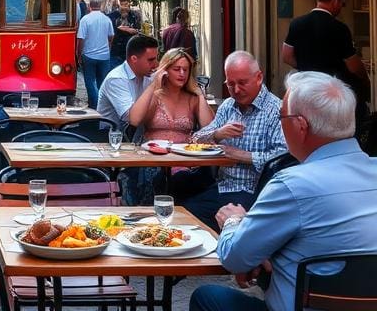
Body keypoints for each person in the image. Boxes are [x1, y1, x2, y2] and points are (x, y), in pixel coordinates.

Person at [189, 71, 377, 311]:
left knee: (208, 296)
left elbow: (235, 258)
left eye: (281, 117)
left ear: (300, 126)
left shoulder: (292, 184)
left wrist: (234, 221)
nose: (279, 124)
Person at [183, 51, 287, 230]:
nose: (236, 90)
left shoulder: (275, 109)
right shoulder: (228, 106)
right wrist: (217, 134)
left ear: (259, 77)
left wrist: (241, 156)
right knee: (183, 210)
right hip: (223, 186)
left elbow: (283, 158)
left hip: (255, 191)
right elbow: (195, 140)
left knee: (191, 216)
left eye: (242, 83)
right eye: (231, 84)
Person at [129, 47, 215, 200]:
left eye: (186, 70)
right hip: (153, 161)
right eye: (177, 69)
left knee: (187, 181)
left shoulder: (192, 98)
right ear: (165, 70)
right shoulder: (155, 96)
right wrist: (154, 83)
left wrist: (200, 94)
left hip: (184, 162)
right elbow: (134, 119)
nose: (182, 74)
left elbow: (210, 128)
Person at [281, 0, 370, 128]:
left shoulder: (297, 24)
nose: (341, 7)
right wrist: (365, 79)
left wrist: (306, 65)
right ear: (335, 0)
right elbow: (353, 66)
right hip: (334, 92)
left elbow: (286, 56)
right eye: (342, 3)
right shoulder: (340, 28)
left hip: (307, 89)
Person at [96, 34, 160, 132]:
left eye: (156, 58)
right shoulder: (116, 79)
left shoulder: (148, 74)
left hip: (137, 135)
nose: (156, 64)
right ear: (134, 59)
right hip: (112, 137)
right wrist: (155, 84)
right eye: (151, 60)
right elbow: (131, 118)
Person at [76, 0, 115, 108]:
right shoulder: (106, 19)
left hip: (89, 55)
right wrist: (108, 48)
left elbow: (81, 39)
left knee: (90, 82)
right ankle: (102, 105)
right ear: (101, 5)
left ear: (89, 6)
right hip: (104, 56)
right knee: (102, 82)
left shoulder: (85, 20)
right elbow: (111, 36)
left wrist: (79, 54)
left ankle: (94, 105)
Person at [107, 0, 141, 66]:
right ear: (119, 4)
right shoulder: (112, 16)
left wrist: (134, 31)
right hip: (115, 51)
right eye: (122, 5)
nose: (124, 7)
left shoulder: (134, 15)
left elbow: (138, 29)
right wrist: (126, 29)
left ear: (129, 4)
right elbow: (111, 31)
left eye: (126, 4)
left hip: (130, 50)